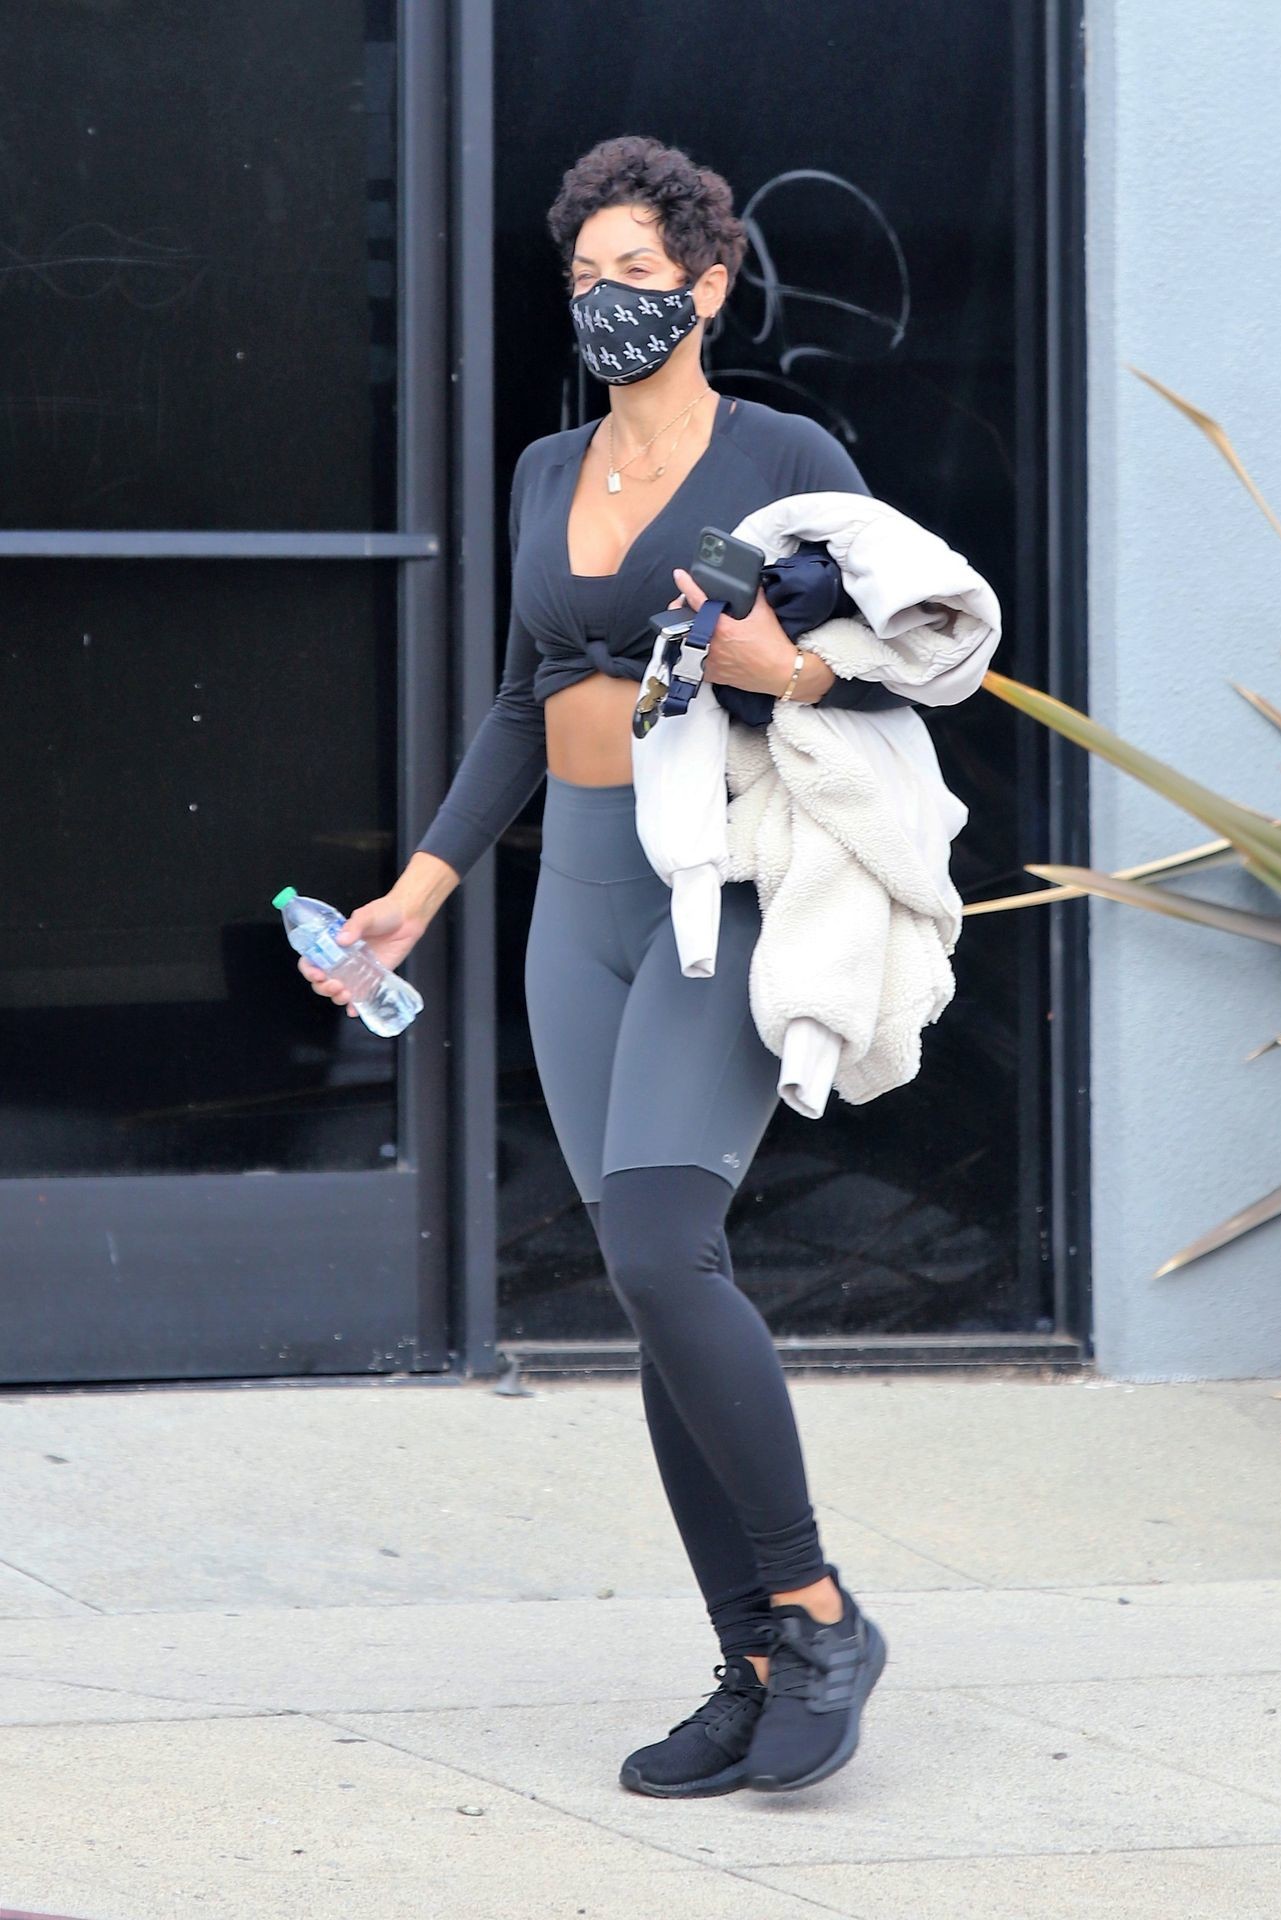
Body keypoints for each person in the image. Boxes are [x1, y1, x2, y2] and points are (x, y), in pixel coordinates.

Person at [298, 134, 893, 1797]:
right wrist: (419, 892)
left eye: (636, 273)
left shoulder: (783, 452)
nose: (606, 300)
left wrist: (788, 668)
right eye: (583, 276)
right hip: (579, 895)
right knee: (651, 1291)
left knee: (658, 1243)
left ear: (708, 286)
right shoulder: (544, 470)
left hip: (717, 887)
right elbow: (521, 697)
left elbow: (914, 658)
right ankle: (751, 1661)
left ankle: (822, 1612)